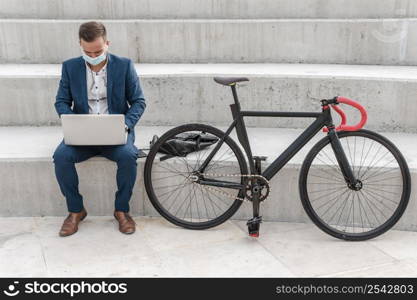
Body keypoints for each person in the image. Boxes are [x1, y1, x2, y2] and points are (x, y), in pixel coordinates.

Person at [52, 21, 146, 237]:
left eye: (98, 51)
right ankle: (76, 210)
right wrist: (73, 121)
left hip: (115, 133)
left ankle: (121, 210)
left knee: (128, 157)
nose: (93, 55)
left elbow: (139, 102)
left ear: (107, 44)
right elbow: (61, 101)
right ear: (80, 45)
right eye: (87, 51)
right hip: (82, 134)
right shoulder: (70, 67)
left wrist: (125, 125)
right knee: (61, 157)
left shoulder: (124, 65)